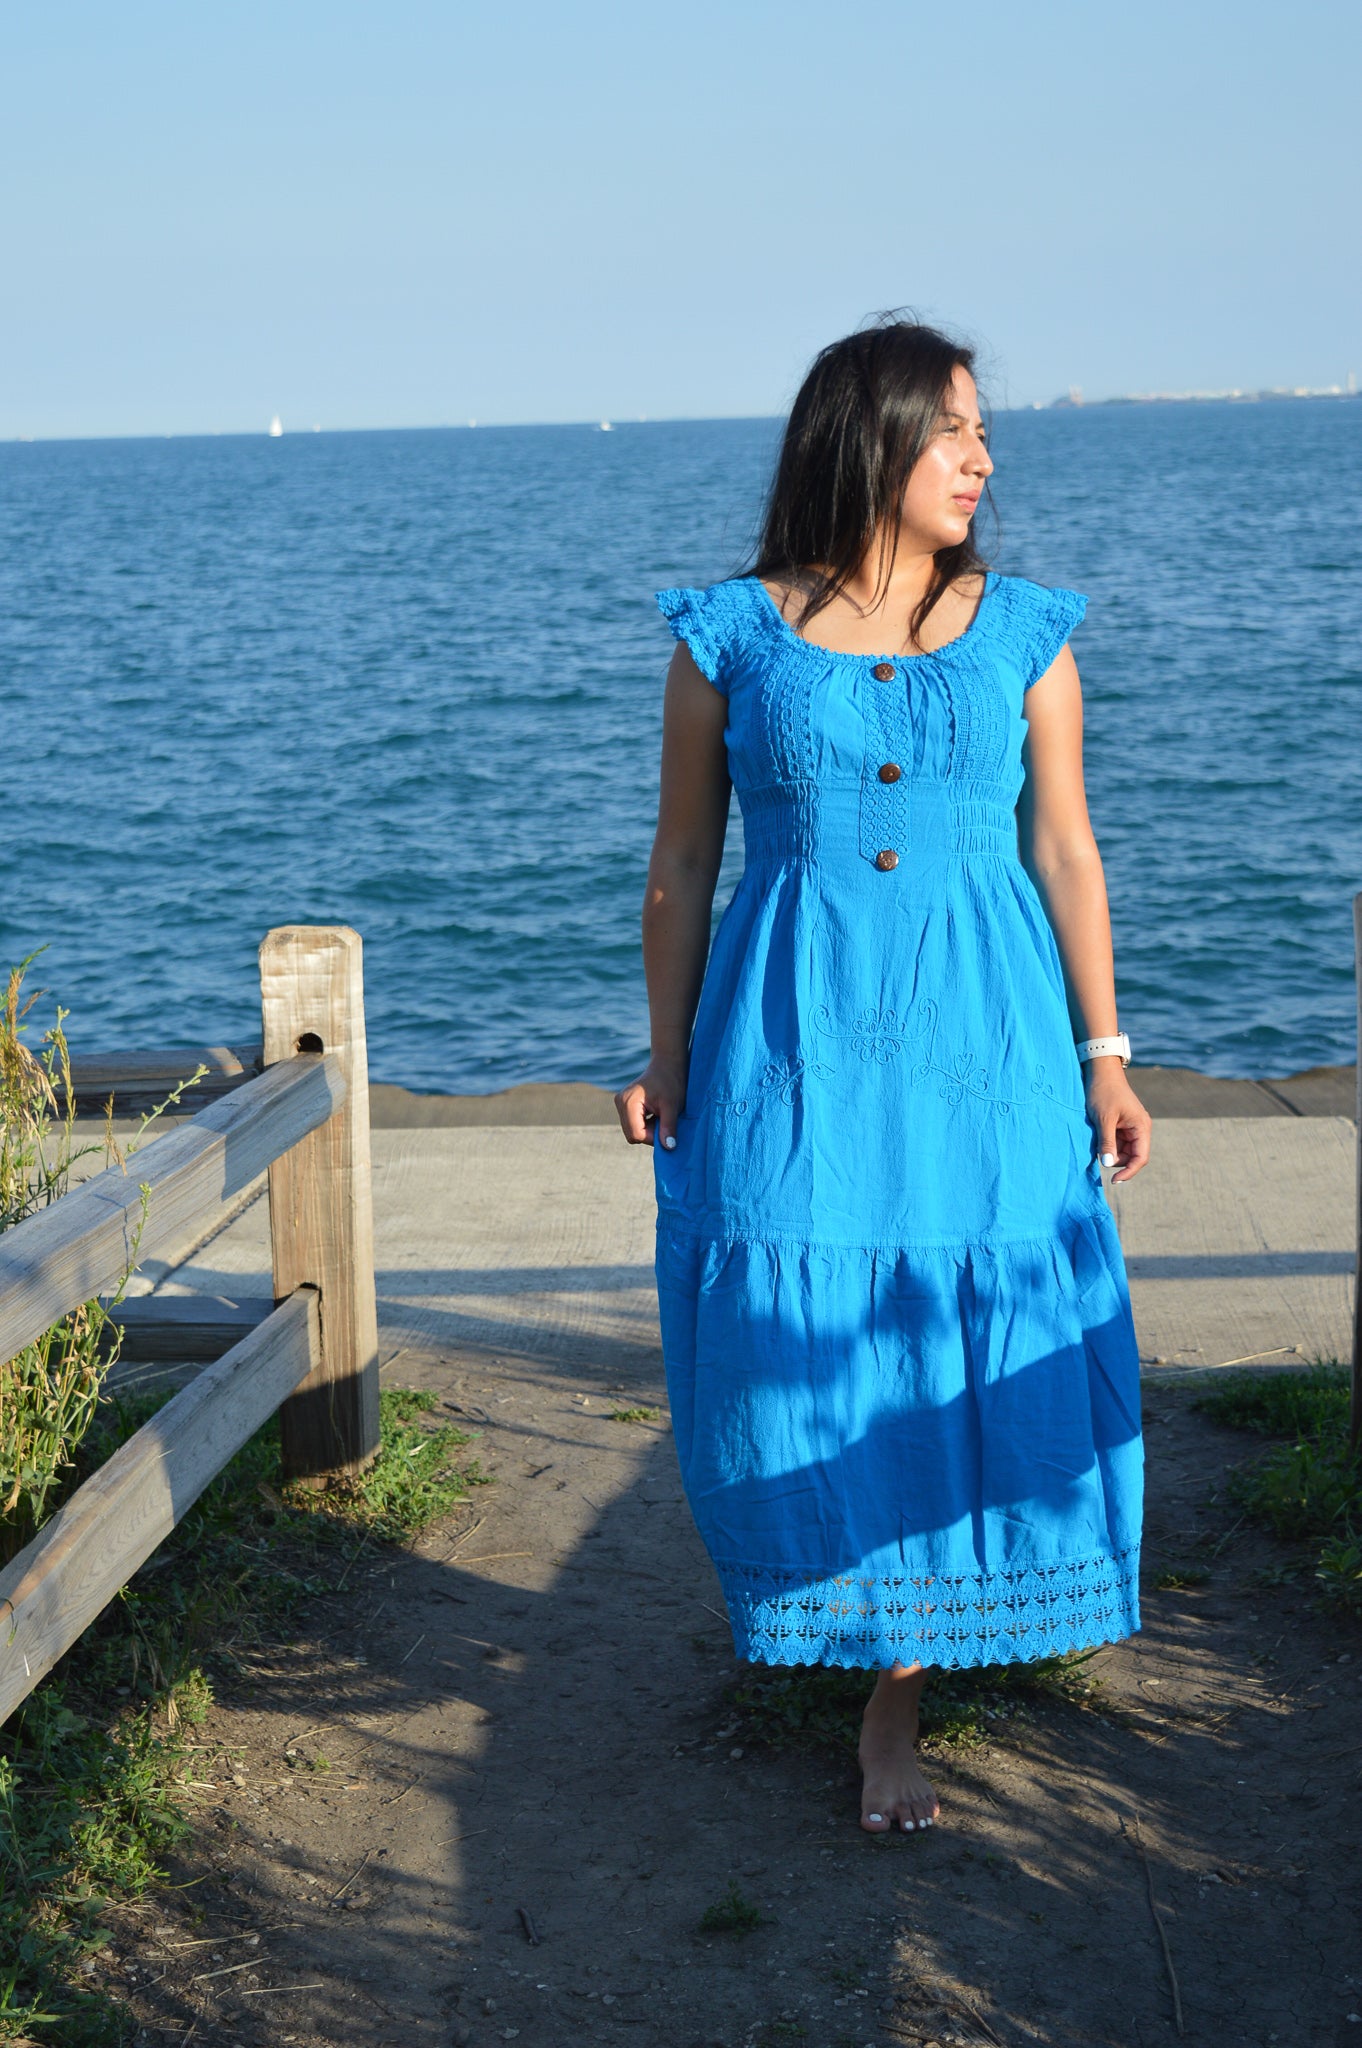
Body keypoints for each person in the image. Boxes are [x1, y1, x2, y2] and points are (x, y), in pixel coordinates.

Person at [614, 317, 1151, 1837]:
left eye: (986, 433)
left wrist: (1102, 1056)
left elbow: (1065, 851)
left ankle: (896, 1702)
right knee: (804, 1314)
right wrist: (665, 1060)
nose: (983, 459)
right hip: (793, 1031)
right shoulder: (729, 635)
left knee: (965, 1329)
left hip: (985, 1039)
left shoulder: (1023, 629)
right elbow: (678, 865)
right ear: (871, 439)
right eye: (954, 431)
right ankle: (835, 1611)